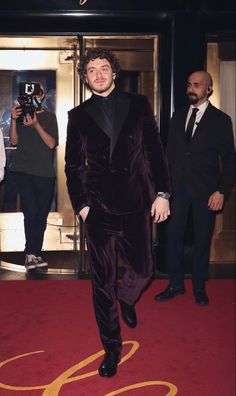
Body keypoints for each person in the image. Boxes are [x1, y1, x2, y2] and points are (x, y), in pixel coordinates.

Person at [65, 48, 171, 378]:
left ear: (115, 71)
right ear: (85, 77)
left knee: (145, 268)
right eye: (92, 70)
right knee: (101, 283)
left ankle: (127, 297)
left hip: (137, 203)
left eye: (104, 67)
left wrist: (163, 194)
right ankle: (111, 348)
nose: (98, 74)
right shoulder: (78, 115)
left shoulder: (138, 105)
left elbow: (155, 151)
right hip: (98, 210)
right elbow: (72, 166)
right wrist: (82, 206)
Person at [154, 70, 235, 306]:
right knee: (173, 236)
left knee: (202, 239)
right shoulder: (178, 116)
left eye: (197, 85)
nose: (191, 89)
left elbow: (230, 160)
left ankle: (199, 287)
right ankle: (175, 284)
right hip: (177, 191)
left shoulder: (221, 120)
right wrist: (164, 191)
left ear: (209, 89)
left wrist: (221, 191)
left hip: (206, 191)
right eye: (189, 84)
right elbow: (168, 156)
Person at [9, 85, 58, 273]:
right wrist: (14, 120)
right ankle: (30, 253)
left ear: (42, 95)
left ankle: (36, 252)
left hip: (45, 173)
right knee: (30, 212)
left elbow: (51, 143)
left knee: (41, 215)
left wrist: (37, 124)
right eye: (29, 94)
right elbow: (13, 141)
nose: (33, 97)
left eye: (37, 93)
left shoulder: (49, 117)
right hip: (23, 171)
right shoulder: (20, 116)